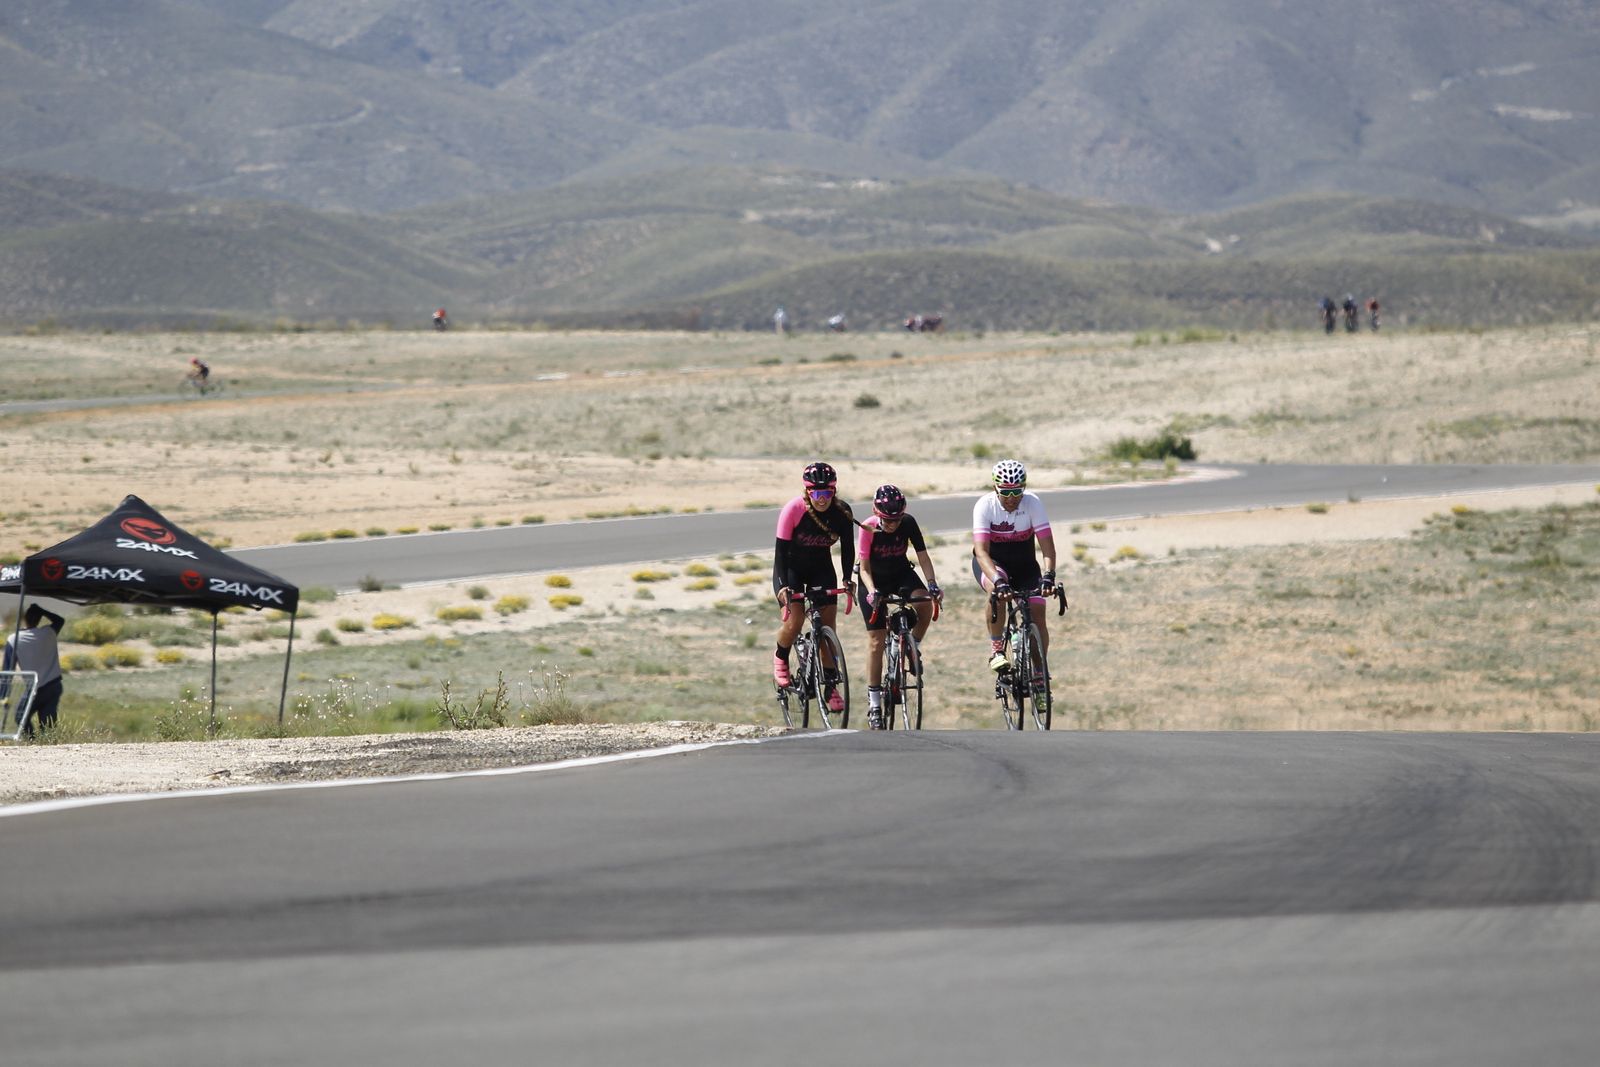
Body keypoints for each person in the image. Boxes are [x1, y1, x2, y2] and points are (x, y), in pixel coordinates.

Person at [771, 461, 855, 713]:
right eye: (817, 493)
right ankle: (781, 657)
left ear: (834, 491)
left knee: (827, 628)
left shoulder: (842, 513)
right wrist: (783, 586)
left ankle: (830, 686)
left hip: (821, 567)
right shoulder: (793, 510)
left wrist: (847, 579)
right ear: (807, 491)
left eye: (827, 493)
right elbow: (780, 555)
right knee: (794, 622)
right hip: (791, 570)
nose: (822, 499)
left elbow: (848, 550)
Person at [855, 485, 941, 730]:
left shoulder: (908, 523)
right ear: (877, 513)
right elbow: (863, 568)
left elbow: (922, 556)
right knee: (875, 640)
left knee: (924, 604)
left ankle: (911, 646)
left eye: (896, 519)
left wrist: (933, 584)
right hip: (873, 579)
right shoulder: (868, 527)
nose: (892, 524)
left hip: (900, 573)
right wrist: (872, 591)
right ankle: (874, 705)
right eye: (887, 520)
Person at [971, 459, 1059, 674]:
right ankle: (997, 649)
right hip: (993, 563)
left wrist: (1049, 576)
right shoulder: (985, 505)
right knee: (997, 592)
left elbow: (1048, 548)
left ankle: (1039, 675)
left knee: (1038, 614)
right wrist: (999, 581)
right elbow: (981, 551)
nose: (1012, 499)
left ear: (1024, 488)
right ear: (995, 488)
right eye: (1005, 492)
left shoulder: (1033, 503)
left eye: (1017, 492)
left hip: (1025, 565)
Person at [2, 605, 65, 737]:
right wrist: (43, 610)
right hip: (54, 684)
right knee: (47, 723)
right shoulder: (48, 633)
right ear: (40, 619)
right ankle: (46, 745)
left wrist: (4, 694)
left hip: (35, 687)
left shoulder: (14, 639)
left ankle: (33, 742)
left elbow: (8, 670)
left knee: (21, 717)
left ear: (25, 618)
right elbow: (60, 620)